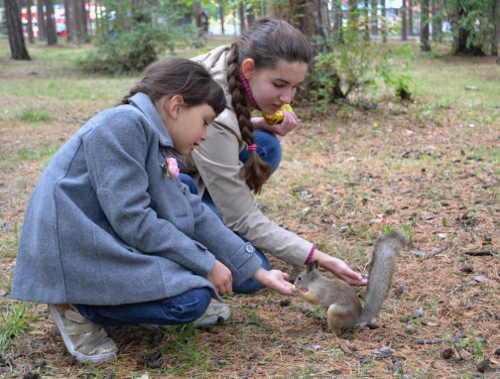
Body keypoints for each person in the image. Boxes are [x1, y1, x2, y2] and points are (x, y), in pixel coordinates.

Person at [10, 57, 294, 364]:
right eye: (205, 121)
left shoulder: (153, 136)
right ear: (176, 106)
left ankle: (135, 300)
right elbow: (135, 221)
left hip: (105, 239)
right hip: (76, 254)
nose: (205, 135)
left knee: (194, 280)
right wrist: (206, 263)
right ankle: (78, 306)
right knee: (191, 300)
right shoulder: (122, 125)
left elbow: (193, 212)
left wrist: (256, 269)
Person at [180, 18, 368, 294]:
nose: (287, 97)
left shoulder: (230, 59)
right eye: (280, 84)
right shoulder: (214, 105)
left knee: (266, 145)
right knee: (253, 270)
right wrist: (320, 258)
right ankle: (202, 222)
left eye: (294, 87)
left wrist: (258, 124)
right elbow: (243, 218)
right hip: (170, 187)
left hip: (193, 165)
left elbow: (226, 128)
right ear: (249, 69)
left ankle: (214, 213)